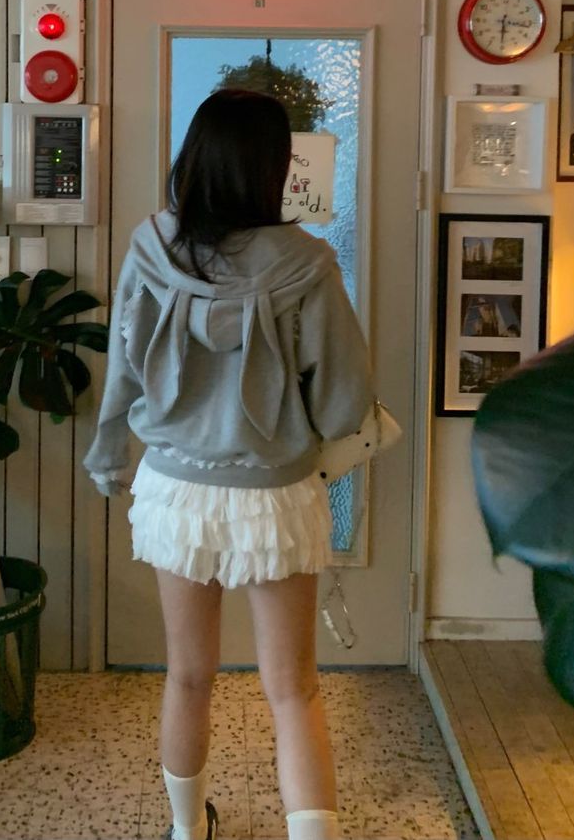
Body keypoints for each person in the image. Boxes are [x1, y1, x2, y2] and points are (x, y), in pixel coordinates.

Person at [84, 89, 373, 840]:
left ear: (195, 157)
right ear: (274, 167)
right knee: (294, 690)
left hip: (176, 489)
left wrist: (109, 455)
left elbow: (122, 366)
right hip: (275, 494)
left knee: (187, 675)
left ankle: (188, 832)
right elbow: (344, 404)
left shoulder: (150, 247)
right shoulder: (309, 264)